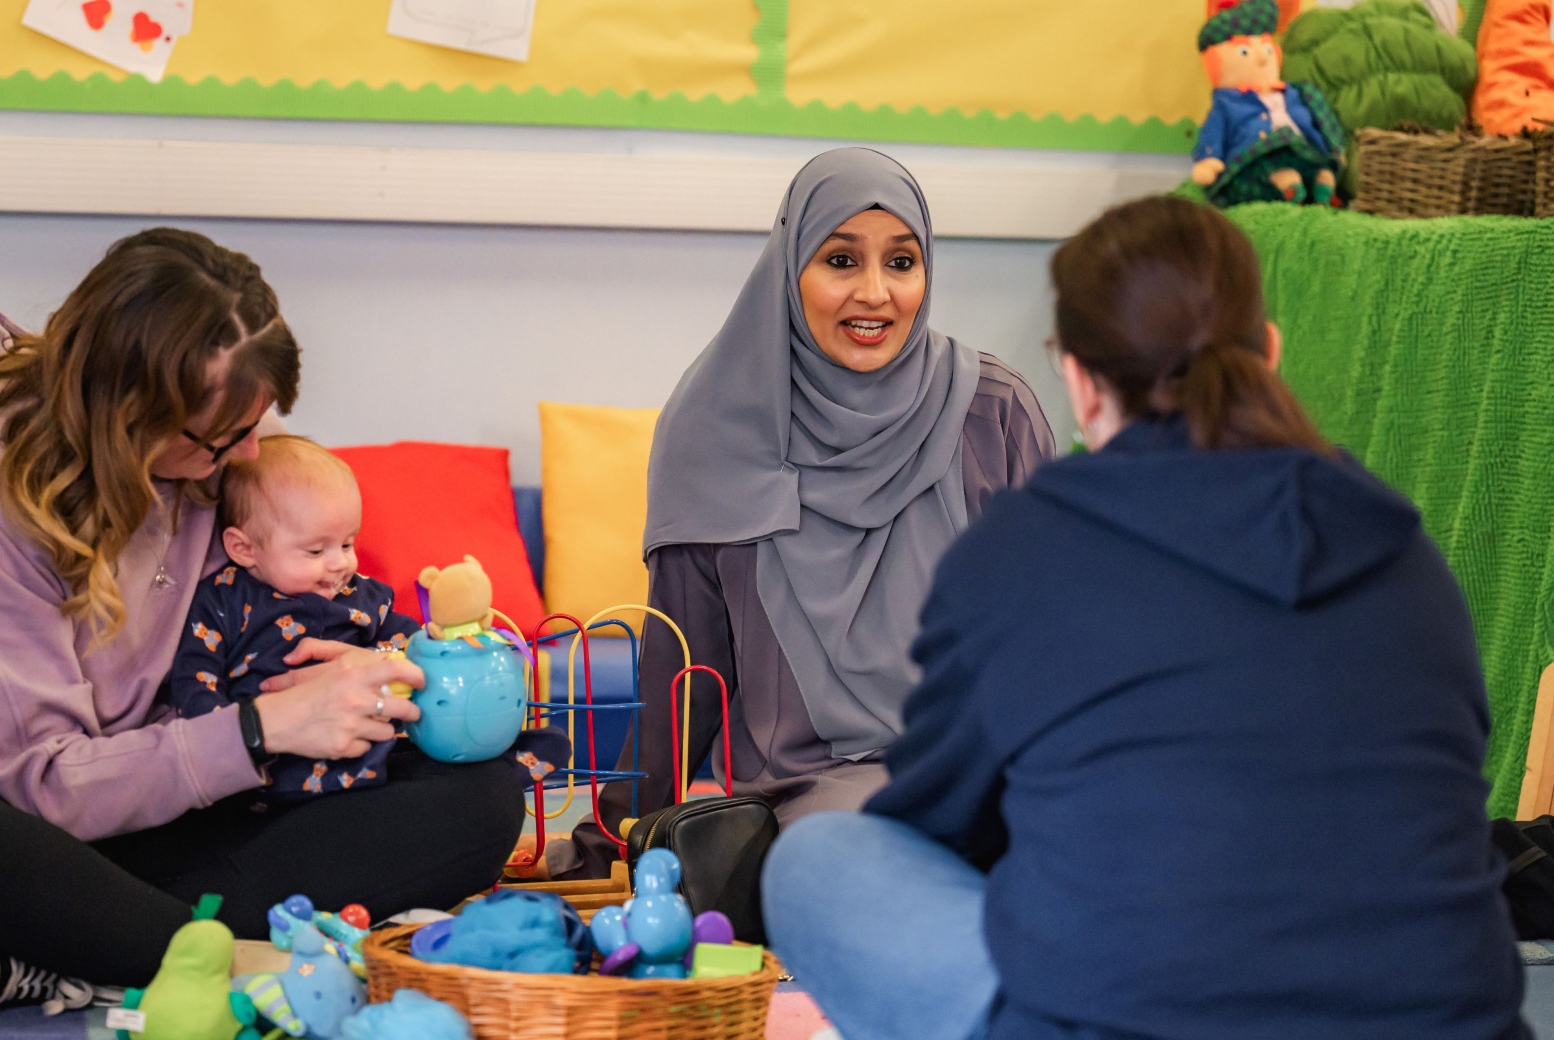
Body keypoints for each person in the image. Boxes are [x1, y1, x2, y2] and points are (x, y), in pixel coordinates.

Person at [762, 196, 1527, 1040]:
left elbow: (938, 825)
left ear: (1081, 381)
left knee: (820, 861)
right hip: (1450, 1022)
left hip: (1129, 1014)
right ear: (1269, 353)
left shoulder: (1020, 552)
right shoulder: (1405, 553)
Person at [0, 229, 524, 1017]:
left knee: (483, 794)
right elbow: (42, 786)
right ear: (131, 416)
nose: (252, 449)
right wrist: (260, 728)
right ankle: (215, 950)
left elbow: (322, 601)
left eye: (256, 423)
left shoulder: (226, 459)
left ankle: (91, 957)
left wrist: (365, 674)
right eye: (222, 436)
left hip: (190, 823)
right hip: (27, 845)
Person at [548, 148, 1053, 879]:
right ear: (789, 269)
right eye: (841, 260)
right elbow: (685, 672)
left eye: (902, 262)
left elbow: (1051, 631)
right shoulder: (715, 431)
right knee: (883, 861)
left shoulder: (992, 411)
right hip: (819, 790)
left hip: (986, 758)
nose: (876, 294)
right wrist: (609, 842)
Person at [168, 435, 419, 801]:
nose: (340, 563)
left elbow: (409, 641)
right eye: (316, 550)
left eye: (348, 544)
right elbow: (195, 681)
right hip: (263, 781)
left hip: (366, 763)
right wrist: (233, 741)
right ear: (244, 548)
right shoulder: (222, 601)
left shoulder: (362, 595)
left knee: (481, 782)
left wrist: (382, 658)